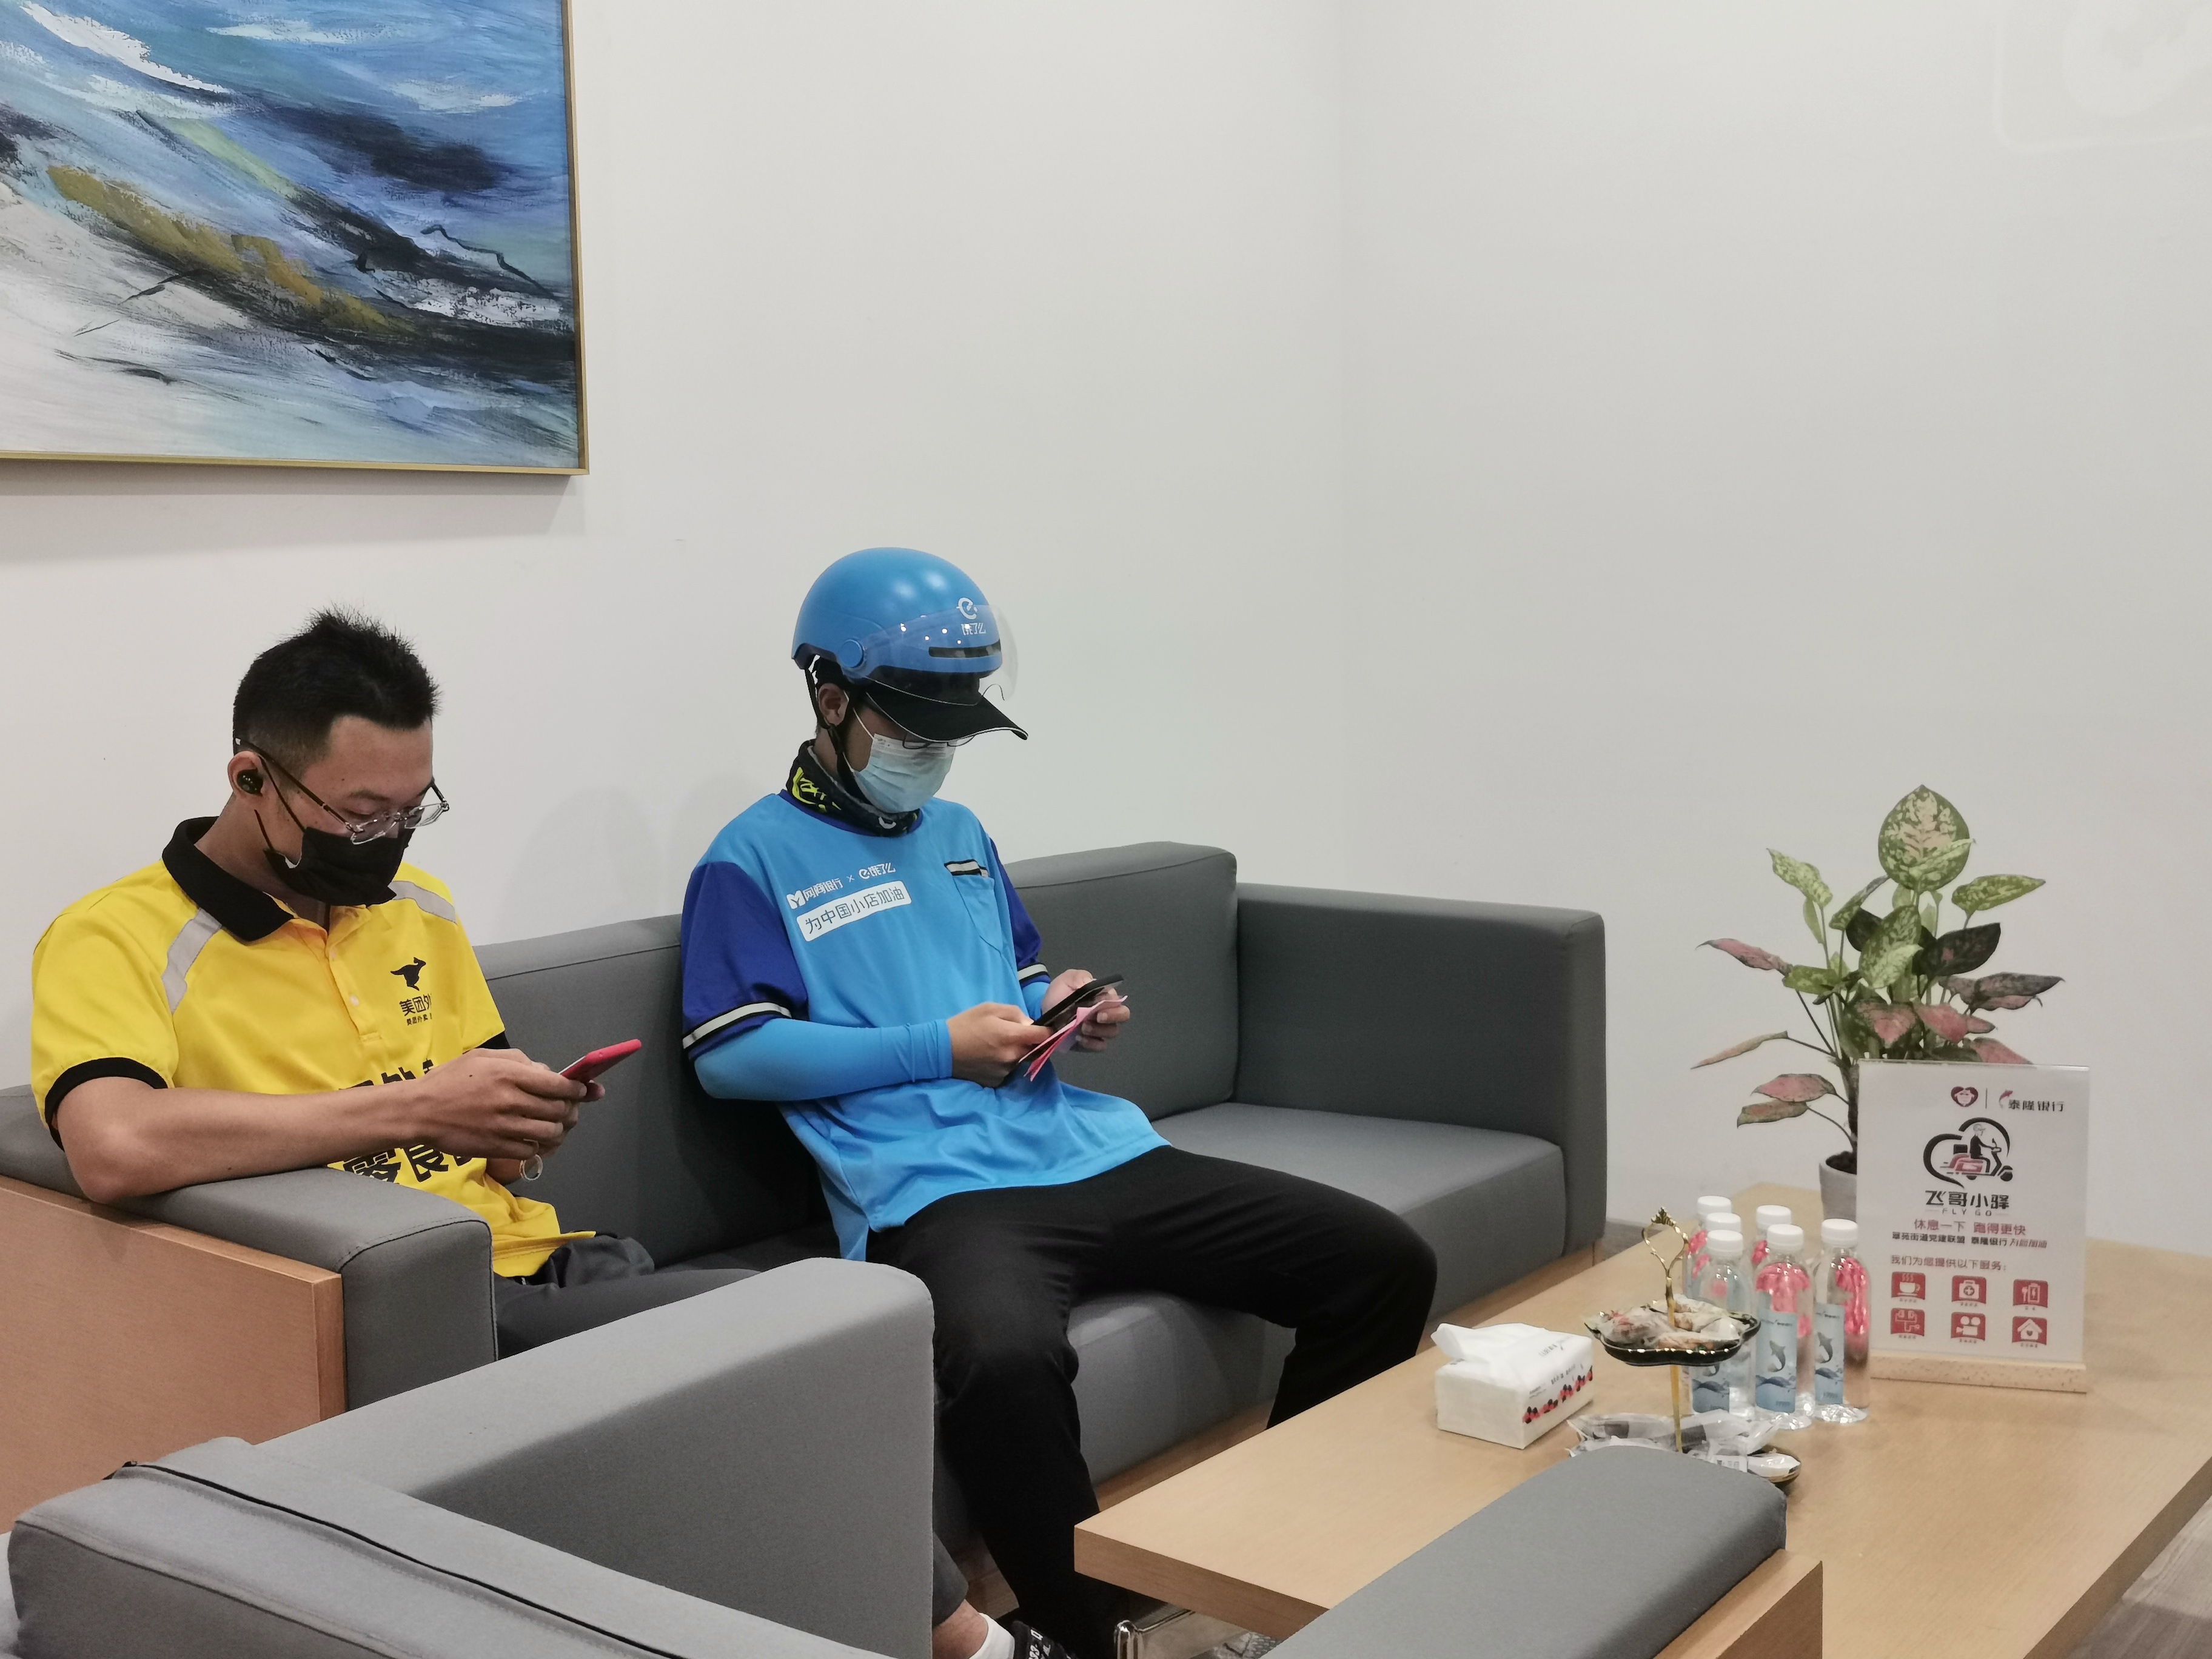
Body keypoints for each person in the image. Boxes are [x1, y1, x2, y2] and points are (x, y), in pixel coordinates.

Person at [30, 608, 1037, 1659]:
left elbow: (489, 1128)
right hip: (411, 1307)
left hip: (546, 1260)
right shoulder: (117, 936)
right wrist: (421, 1108)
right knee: (792, 1339)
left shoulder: (417, 906)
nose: (390, 843)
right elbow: (114, 1145)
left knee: (811, 1347)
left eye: (414, 809)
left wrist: (518, 1121)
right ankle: (974, 1644)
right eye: (362, 817)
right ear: (251, 779)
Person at [681, 549, 1438, 1659]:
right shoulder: (749, 859)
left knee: (1382, 1261)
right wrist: (939, 1049)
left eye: (954, 729)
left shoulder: (961, 835)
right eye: (915, 726)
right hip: (935, 1193)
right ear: (829, 697)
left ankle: (1277, 1569)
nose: (934, 752)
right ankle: (1092, 1638)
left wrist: (1063, 1003)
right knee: (1000, 1361)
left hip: (1086, 1146)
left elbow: (1018, 973)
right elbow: (730, 1056)